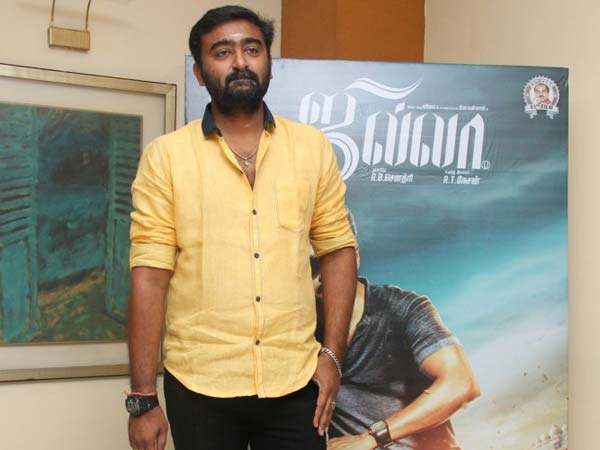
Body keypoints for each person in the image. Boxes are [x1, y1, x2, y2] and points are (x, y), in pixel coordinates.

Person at [126, 5, 357, 450]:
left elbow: (338, 250)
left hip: (297, 381)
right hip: (200, 383)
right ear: (199, 72)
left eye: (252, 49)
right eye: (222, 52)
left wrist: (332, 355)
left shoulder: (311, 148)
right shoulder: (166, 158)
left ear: (268, 62)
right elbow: (150, 276)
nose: (240, 62)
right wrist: (143, 398)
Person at [313, 215, 480, 450]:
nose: (323, 274)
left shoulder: (401, 308)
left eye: (334, 258)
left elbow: (461, 383)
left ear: (355, 257)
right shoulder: (299, 333)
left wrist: (371, 438)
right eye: (310, 265)